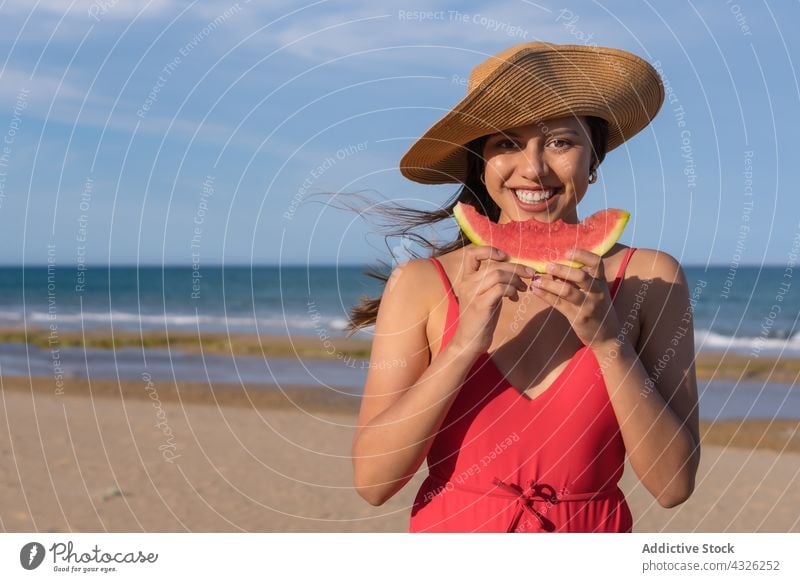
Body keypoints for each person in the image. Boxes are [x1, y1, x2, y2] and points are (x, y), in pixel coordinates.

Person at [348, 41, 700, 533]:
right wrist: (463, 342)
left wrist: (609, 342)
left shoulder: (651, 279)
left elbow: (673, 485)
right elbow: (373, 482)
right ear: (481, 163)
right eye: (506, 144)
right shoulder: (422, 284)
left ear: (593, 158)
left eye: (560, 142)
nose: (533, 169)